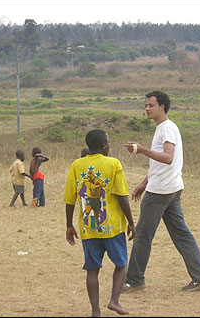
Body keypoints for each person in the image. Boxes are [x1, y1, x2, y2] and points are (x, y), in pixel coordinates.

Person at [122, 90, 200, 292]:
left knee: (143, 235)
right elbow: (162, 164)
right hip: (170, 187)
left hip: (161, 191)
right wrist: (145, 182)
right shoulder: (165, 128)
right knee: (181, 233)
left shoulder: (166, 129)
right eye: (145, 105)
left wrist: (140, 149)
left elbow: (168, 158)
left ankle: (134, 280)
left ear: (162, 106)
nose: (147, 108)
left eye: (151, 105)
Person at [64, 129, 136, 317]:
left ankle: (95, 312)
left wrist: (69, 225)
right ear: (103, 146)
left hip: (89, 228)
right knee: (121, 265)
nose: (109, 146)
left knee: (92, 269)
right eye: (109, 143)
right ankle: (114, 300)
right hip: (112, 227)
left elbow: (69, 199)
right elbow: (121, 196)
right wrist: (131, 222)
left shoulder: (76, 166)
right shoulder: (113, 164)